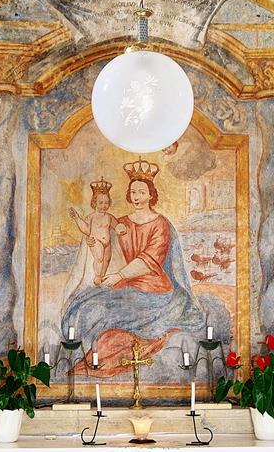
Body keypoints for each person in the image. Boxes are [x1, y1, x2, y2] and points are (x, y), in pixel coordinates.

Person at [60, 160, 218, 376]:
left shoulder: (160, 224)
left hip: (153, 288)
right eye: (133, 191)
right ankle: (89, 356)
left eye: (141, 192)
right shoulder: (121, 221)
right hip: (122, 284)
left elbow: (149, 259)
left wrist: (119, 275)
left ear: (151, 195)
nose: (136, 196)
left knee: (104, 312)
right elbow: (107, 247)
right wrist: (93, 244)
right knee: (84, 305)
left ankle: (101, 360)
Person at [68, 178, 119, 286]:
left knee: (106, 259)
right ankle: (97, 276)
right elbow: (86, 229)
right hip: (96, 242)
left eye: (106, 203)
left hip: (107, 243)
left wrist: (120, 227)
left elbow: (116, 224)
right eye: (101, 203)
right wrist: (77, 218)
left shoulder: (109, 217)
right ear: (94, 203)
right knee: (99, 258)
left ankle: (102, 276)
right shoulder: (91, 217)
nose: (104, 205)